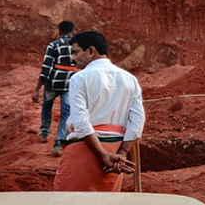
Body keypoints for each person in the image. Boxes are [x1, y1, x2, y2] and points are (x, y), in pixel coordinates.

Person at [53, 31, 144, 192]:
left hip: (85, 151)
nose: (72, 58)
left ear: (90, 51)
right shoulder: (130, 80)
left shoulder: (79, 78)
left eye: (75, 52)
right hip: (115, 155)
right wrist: (121, 154)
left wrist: (103, 155)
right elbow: (137, 122)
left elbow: (81, 122)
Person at [33, 20, 77, 157]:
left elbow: (46, 67)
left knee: (47, 105)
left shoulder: (53, 45)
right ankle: (59, 143)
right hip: (69, 84)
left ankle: (44, 132)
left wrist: (37, 88)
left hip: (52, 83)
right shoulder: (78, 47)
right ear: (73, 31)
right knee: (66, 113)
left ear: (59, 32)